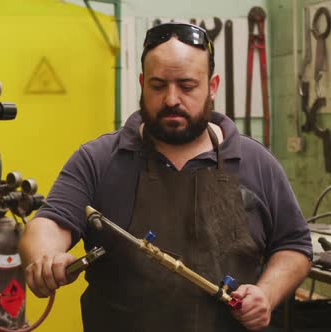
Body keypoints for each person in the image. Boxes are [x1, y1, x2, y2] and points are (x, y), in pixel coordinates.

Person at [19, 22, 312, 331]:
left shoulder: (256, 162)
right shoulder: (99, 160)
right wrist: (45, 258)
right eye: (158, 86)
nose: (172, 99)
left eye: (186, 86)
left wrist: (265, 294)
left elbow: (294, 245)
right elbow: (49, 223)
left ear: (212, 86)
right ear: (143, 83)